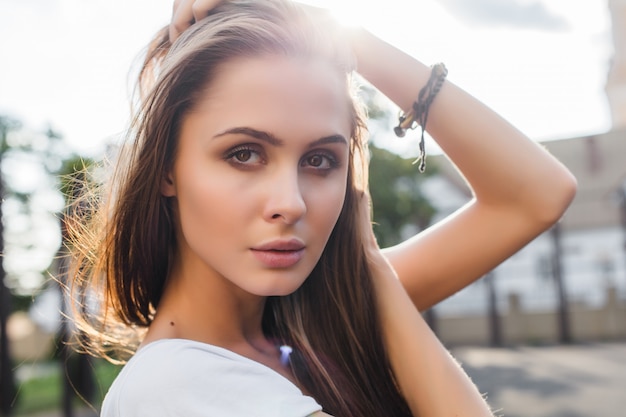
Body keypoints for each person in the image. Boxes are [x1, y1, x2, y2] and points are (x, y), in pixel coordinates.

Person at [65, 0, 576, 416]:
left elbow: (537, 194)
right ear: (166, 170)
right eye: (243, 154)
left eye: (319, 159)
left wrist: (350, 41)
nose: (290, 203)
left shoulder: (316, 320)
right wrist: (372, 265)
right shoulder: (176, 390)